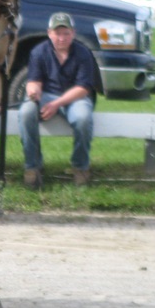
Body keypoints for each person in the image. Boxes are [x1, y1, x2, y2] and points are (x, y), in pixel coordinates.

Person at [18, 12, 96, 189]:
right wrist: (33, 92)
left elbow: (83, 88)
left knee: (83, 118)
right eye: (57, 33)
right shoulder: (38, 52)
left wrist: (56, 104)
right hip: (46, 95)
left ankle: (80, 167)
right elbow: (33, 81)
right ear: (49, 33)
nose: (61, 38)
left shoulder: (83, 53)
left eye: (66, 33)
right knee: (25, 112)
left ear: (73, 33)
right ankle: (33, 166)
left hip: (75, 98)